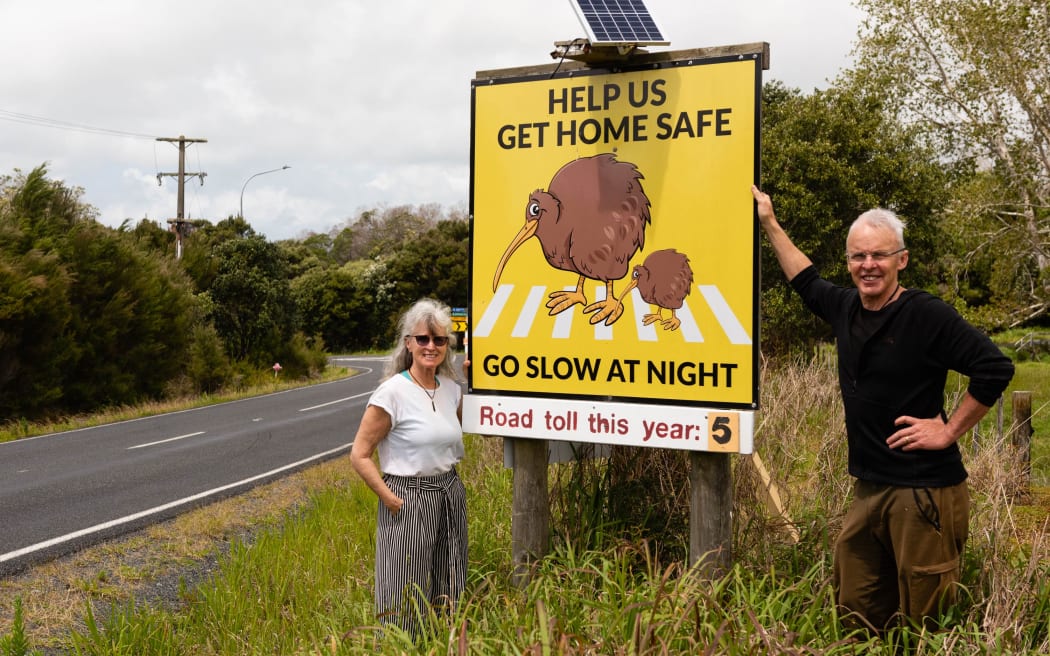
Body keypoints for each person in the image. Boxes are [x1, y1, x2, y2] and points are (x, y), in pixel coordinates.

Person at [751, 185, 1014, 632]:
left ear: (901, 260)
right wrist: (769, 223)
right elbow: (806, 280)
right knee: (856, 604)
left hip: (922, 489)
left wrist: (948, 430)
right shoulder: (847, 307)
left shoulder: (926, 315)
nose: (867, 265)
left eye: (879, 255)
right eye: (858, 256)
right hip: (869, 486)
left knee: (925, 618)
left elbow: (994, 368)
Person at [350, 298, 467, 636]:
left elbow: (465, 426)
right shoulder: (392, 392)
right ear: (409, 344)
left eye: (439, 340)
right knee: (403, 581)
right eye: (423, 339)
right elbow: (359, 454)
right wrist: (389, 498)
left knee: (451, 574)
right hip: (407, 495)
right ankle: (400, 644)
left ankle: (444, 640)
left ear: (448, 345)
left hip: (449, 489)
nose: (431, 346)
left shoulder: (451, 391)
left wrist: (473, 380)